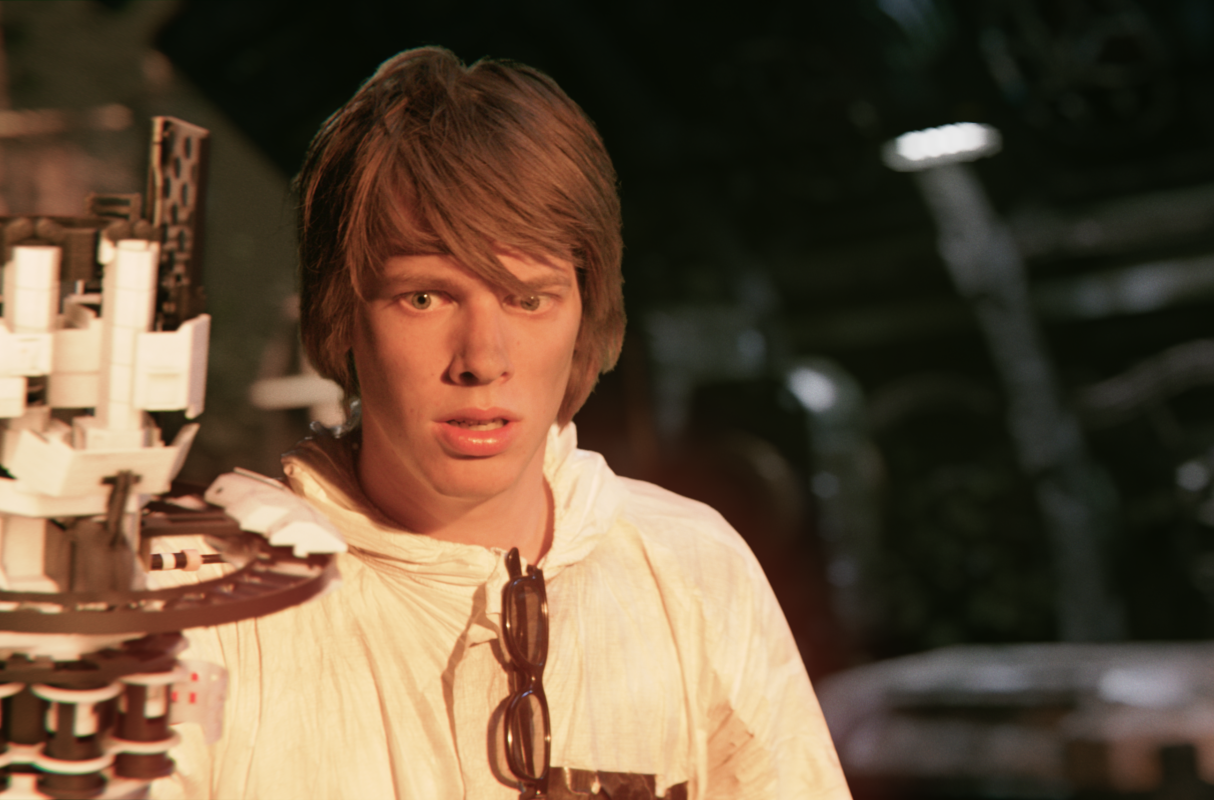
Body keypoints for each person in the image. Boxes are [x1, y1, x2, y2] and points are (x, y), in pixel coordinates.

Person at [152, 47, 850, 799]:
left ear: (585, 314)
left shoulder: (692, 572)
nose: (482, 359)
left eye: (528, 299)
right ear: (342, 316)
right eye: (425, 298)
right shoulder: (211, 609)